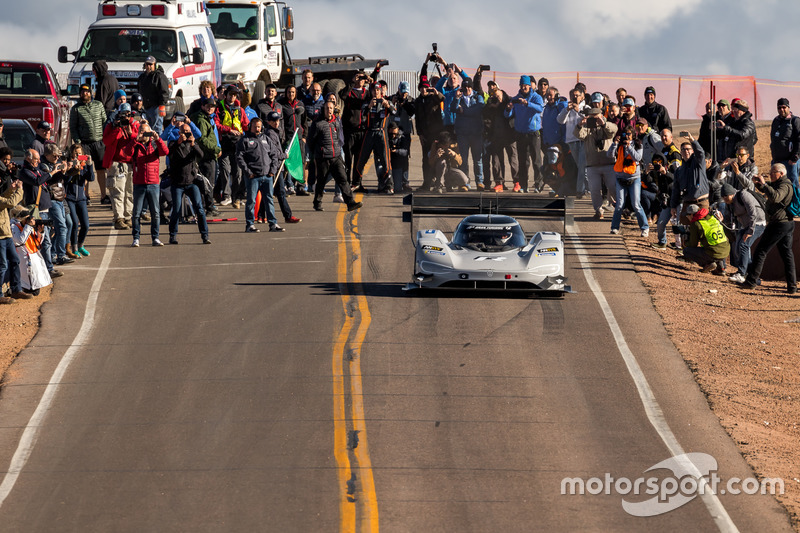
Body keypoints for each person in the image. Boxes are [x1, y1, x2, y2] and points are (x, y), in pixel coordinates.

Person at [739, 164, 796, 294]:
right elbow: (767, 190)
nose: (770, 174)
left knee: (761, 250)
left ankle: (751, 281)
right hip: (784, 224)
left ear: (781, 173)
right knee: (787, 254)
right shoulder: (779, 183)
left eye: (773, 172)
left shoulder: (785, 185)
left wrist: (764, 185)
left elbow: (776, 197)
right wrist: (759, 183)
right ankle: (792, 286)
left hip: (780, 224)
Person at [307, 101, 363, 212]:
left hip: (336, 157)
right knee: (321, 181)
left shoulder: (336, 122)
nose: (329, 110)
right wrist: (318, 154)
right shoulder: (317, 123)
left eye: (331, 108)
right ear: (324, 109)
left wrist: (338, 151)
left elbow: (338, 138)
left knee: (343, 180)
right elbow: (311, 141)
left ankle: (350, 202)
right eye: (327, 108)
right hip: (323, 157)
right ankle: (317, 202)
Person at [18, 150, 60, 278]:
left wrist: (60, 172)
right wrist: (51, 172)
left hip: (44, 210)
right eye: (36, 159)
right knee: (44, 241)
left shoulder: (35, 169)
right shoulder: (25, 172)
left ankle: (47, 267)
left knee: (47, 239)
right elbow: (38, 181)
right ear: (29, 158)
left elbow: (47, 180)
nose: (39, 161)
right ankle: (48, 269)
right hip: (37, 211)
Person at [126, 121, 168, 247]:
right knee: (137, 213)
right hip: (139, 183)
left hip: (153, 183)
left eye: (146, 132)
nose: (144, 134)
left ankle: (155, 237)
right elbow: (127, 153)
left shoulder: (155, 144)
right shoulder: (135, 145)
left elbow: (165, 152)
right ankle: (136, 238)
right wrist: (135, 140)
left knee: (155, 212)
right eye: (142, 131)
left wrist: (158, 139)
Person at [167, 122, 210, 244]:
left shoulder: (192, 145)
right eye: (184, 132)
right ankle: (173, 235)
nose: (186, 134)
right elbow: (170, 154)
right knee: (176, 209)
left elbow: (201, 155)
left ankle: (205, 235)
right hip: (177, 183)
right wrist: (179, 142)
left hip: (191, 182)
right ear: (179, 132)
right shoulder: (173, 144)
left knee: (199, 208)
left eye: (188, 131)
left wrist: (193, 144)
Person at [237, 118, 282, 233]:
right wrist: (248, 172)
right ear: (250, 126)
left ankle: (273, 223)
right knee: (251, 201)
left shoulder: (266, 139)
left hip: (267, 176)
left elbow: (274, 155)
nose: (257, 129)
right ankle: (250, 225)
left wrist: (273, 170)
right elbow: (240, 158)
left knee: (269, 200)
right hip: (253, 177)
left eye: (259, 126)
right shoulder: (245, 140)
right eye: (255, 126)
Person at [70, 84, 108, 207]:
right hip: (84, 144)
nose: (84, 94)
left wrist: (105, 138)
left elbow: (104, 121)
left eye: (87, 91)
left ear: (91, 93)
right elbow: (73, 127)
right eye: (82, 92)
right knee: (85, 169)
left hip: (99, 142)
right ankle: (85, 196)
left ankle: (103, 195)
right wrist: (77, 142)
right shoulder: (76, 108)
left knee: (101, 169)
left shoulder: (98, 105)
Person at [576, 107, 618, 219]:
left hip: (608, 163)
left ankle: (620, 208)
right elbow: (578, 134)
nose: (595, 120)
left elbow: (613, 130)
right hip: (592, 165)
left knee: (613, 187)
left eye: (596, 117)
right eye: (592, 117)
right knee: (594, 189)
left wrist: (603, 124)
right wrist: (580, 125)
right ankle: (598, 211)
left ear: (601, 115)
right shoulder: (587, 128)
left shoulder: (608, 125)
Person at [102, 103, 139, 229]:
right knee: (118, 192)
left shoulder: (135, 125)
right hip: (117, 163)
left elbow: (140, 139)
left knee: (130, 192)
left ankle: (128, 217)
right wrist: (117, 128)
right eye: (123, 114)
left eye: (128, 114)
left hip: (131, 163)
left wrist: (131, 134)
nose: (126, 117)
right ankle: (119, 218)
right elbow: (106, 141)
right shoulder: (112, 125)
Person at [353, 82, 395, 193]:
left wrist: (388, 106)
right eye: (373, 90)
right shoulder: (367, 102)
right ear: (371, 91)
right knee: (362, 158)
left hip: (381, 133)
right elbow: (361, 115)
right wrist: (369, 106)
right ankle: (357, 183)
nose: (375, 92)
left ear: (381, 91)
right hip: (369, 133)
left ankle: (389, 185)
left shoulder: (386, 101)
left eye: (377, 90)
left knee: (385, 160)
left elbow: (394, 112)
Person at [720, 183, 766, 283]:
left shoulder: (743, 195)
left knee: (744, 245)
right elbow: (729, 219)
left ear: (732, 194)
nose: (725, 199)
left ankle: (741, 274)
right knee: (737, 248)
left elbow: (752, 212)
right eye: (723, 197)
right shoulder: (730, 203)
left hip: (758, 223)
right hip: (745, 226)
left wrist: (750, 231)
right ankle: (753, 278)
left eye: (726, 196)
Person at [505, 75, 544, 193]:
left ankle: (538, 184)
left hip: (533, 133)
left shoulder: (536, 97)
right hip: (521, 133)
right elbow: (507, 115)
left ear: (529, 86)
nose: (523, 88)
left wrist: (527, 103)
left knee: (536, 160)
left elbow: (540, 108)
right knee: (523, 161)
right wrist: (508, 108)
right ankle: (523, 185)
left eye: (525, 86)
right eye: (521, 86)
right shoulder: (515, 98)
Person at [607, 126, 648, 236]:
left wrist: (629, 147)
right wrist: (615, 144)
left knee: (636, 204)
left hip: (634, 178)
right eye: (625, 134)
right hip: (620, 178)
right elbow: (609, 156)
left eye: (629, 134)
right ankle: (614, 227)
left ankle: (645, 227)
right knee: (619, 204)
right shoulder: (619, 145)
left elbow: (638, 158)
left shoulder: (638, 145)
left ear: (633, 135)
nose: (627, 136)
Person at [263, 111, 301, 225]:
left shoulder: (276, 132)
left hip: (277, 166)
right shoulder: (270, 133)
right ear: (269, 122)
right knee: (274, 192)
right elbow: (273, 152)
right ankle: (263, 215)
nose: (276, 123)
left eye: (278, 120)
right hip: (273, 167)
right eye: (274, 121)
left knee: (277, 192)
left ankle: (285, 215)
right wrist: (283, 155)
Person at [39, 144, 73, 266]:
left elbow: (64, 181)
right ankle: (61, 255)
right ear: (47, 155)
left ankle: (54, 254)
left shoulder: (56, 164)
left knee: (60, 228)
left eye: (58, 155)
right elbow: (47, 181)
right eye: (54, 156)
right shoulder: (43, 166)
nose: (57, 157)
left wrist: (67, 171)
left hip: (60, 198)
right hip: (51, 200)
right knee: (61, 227)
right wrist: (57, 171)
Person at [216, 84, 249, 208]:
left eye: (234, 95)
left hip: (238, 143)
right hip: (224, 142)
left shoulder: (240, 109)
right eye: (230, 95)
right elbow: (216, 124)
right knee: (225, 170)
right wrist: (228, 130)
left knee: (237, 172)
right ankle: (227, 196)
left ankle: (236, 197)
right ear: (226, 95)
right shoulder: (219, 107)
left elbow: (245, 125)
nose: (232, 97)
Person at [483, 80, 519, 192]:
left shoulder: (510, 100)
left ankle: (517, 182)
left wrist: (506, 107)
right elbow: (485, 114)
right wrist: (493, 106)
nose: (497, 98)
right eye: (494, 96)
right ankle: (499, 183)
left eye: (498, 95)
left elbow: (515, 116)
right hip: (496, 135)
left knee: (513, 159)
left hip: (510, 136)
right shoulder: (491, 102)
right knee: (496, 160)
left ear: (501, 91)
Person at [414, 68, 445, 191]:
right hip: (425, 135)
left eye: (426, 87)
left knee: (437, 158)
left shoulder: (433, 98)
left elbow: (442, 98)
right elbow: (417, 119)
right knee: (425, 160)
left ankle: (438, 183)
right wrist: (420, 134)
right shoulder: (417, 101)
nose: (424, 89)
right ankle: (426, 183)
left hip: (435, 135)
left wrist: (436, 92)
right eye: (421, 87)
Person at [0, 178, 30, 304]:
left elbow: (3, 197)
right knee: (2, 266)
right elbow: (10, 202)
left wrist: (11, 189)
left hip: (5, 233)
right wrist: (19, 190)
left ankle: (16, 289)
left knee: (15, 260)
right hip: (0, 236)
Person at [10, 206, 51, 295]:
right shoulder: (13, 226)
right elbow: (20, 241)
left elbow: (37, 242)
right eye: (26, 219)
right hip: (22, 256)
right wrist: (28, 226)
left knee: (36, 281)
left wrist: (41, 232)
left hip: (33, 254)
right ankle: (18, 288)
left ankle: (26, 287)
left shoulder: (26, 226)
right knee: (27, 279)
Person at [451, 77, 484, 188]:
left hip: (476, 133)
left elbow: (479, 109)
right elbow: (453, 108)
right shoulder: (459, 98)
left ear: (472, 87)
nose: (467, 89)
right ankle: (465, 183)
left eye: (469, 86)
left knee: (478, 159)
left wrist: (463, 111)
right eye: (465, 87)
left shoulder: (477, 97)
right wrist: (456, 98)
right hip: (463, 134)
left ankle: (479, 181)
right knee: (463, 160)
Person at [679, 203, 730, 275]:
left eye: (687, 215)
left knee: (687, 251)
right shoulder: (712, 217)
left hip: (714, 252)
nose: (687, 217)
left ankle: (707, 264)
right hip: (726, 250)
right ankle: (721, 268)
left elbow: (693, 244)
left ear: (691, 215)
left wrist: (685, 243)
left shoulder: (696, 223)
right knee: (716, 247)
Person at [670, 133, 710, 224]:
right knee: (686, 233)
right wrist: (673, 206)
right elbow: (675, 190)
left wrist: (692, 140)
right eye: (683, 149)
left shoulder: (698, 163)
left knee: (703, 230)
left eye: (688, 149)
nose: (686, 151)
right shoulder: (679, 170)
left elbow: (700, 153)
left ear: (692, 151)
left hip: (701, 203)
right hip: (687, 203)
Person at [192, 96, 223, 209]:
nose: (210, 108)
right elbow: (202, 139)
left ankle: (207, 205)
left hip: (210, 155)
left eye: (212, 106)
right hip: (206, 156)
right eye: (208, 106)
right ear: (203, 106)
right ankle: (208, 206)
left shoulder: (209, 118)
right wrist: (216, 149)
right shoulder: (201, 120)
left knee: (209, 182)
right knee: (208, 183)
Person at [64, 144, 94, 258]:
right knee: (75, 223)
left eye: (80, 153)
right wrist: (73, 169)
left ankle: (81, 245)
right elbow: (66, 180)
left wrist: (89, 165)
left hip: (81, 198)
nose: (78, 155)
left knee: (85, 225)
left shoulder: (84, 165)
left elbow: (91, 178)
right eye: (76, 153)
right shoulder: (68, 164)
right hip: (70, 198)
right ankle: (74, 247)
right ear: (72, 154)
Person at [557, 87, 588, 197]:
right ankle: (585, 189)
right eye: (573, 95)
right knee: (580, 167)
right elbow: (560, 120)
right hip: (571, 140)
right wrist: (567, 110)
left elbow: (588, 119)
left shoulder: (586, 107)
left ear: (582, 96)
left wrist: (578, 110)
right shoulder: (567, 108)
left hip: (583, 140)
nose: (575, 97)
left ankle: (581, 191)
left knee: (582, 167)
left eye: (577, 95)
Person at [647, 154, 676, 249]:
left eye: (659, 161)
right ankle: (662, 242)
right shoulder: (655, 172)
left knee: (679, 225)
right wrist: (647, 172)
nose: (658, 163)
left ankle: (682, 246)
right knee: (660, 223)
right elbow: (648, 182)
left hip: (677, 200)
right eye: (655, 162)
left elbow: (675, 179)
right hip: (667, 202)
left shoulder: (672, 167)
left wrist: (665, 172)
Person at [769, 98, 800, 186]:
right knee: (777, 183)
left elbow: (799, 140)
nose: (781, 110)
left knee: (792, 183)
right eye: (779, 108)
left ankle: (795, 200)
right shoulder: (776, 121)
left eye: (784, 107)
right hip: (777, 159)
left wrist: (795, 156)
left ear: (788, 107)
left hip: (790, 160)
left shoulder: (795, 121)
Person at [137, 56, 169, 134]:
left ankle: (157, 145)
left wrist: (162, 105)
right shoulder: (142, 77)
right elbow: (139, 90)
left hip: (156, 108)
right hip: (146, 107)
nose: (148, 66)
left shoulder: (159, 76)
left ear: (155, 65)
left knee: (156, 130)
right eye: (147, 64)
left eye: (151, 64)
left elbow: (164, 92)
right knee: (147, 130)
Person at [387, 122, 411, 193]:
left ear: (397, 130)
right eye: (391, 134)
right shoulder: (386, 137)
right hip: (388, 163)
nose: (393, 136)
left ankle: (404, 182)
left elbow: (405, 152)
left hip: (398, 164)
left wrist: (396, 151)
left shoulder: (402, 138)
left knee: (397, 189)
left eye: (394, 134)